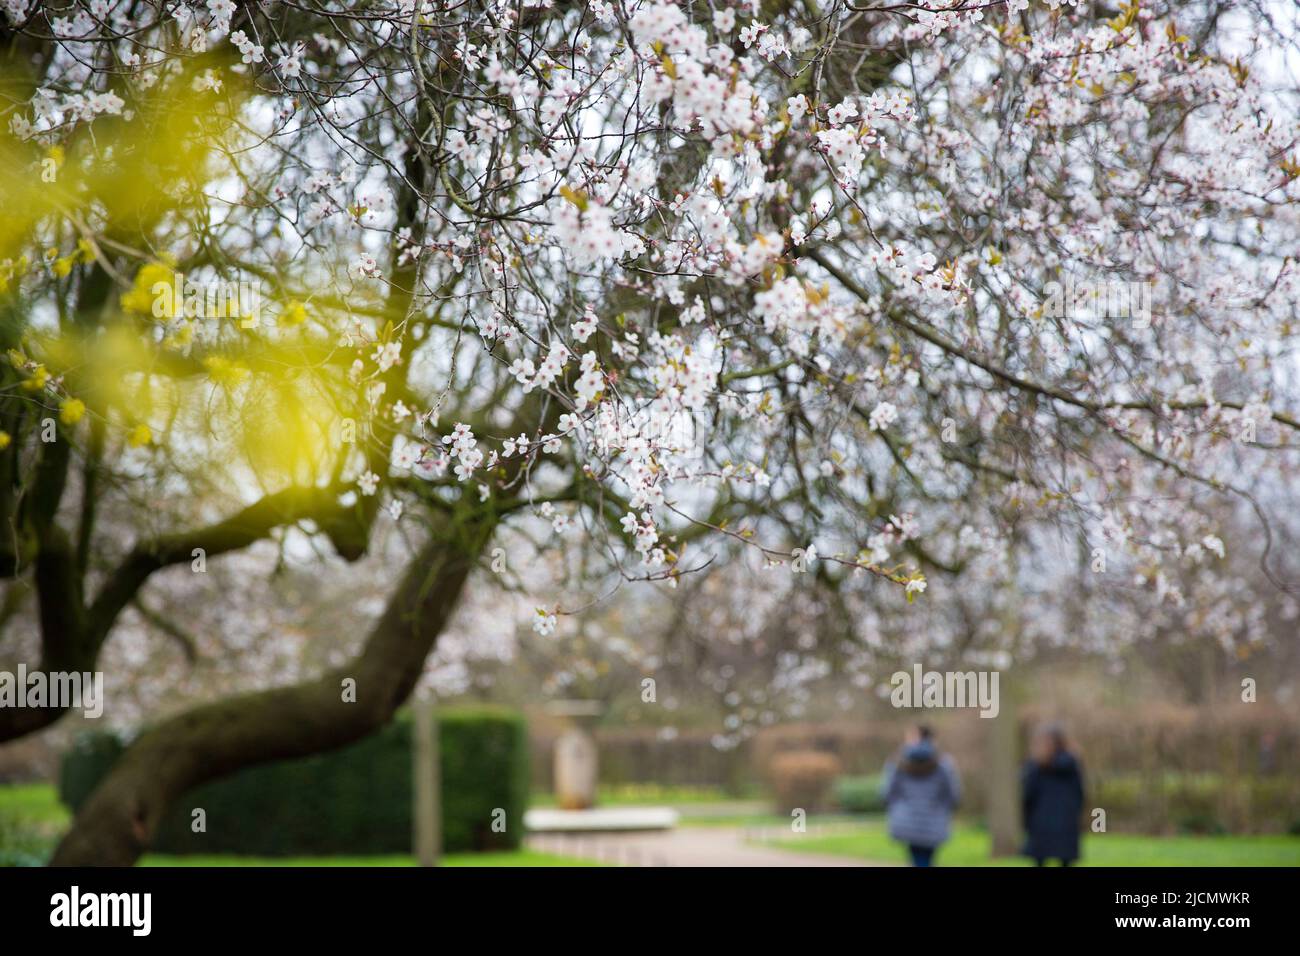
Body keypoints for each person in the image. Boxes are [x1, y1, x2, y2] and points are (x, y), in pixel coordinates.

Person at [882, 725, 961, 866]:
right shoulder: (944, 763)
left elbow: (888, 792)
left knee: (917, 858)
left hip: (906, 820)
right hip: (934, 820)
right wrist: (944, 808)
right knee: (926, 859)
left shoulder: (898, 762)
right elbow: (952, 794)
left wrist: (896, 808)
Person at [1021, 722, 1085, 866]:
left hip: (1040, 822)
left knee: (1040, 860)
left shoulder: (1035, 766)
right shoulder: (1072, 763)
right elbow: (1080, 792)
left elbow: (1028, 795)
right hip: (1066, 822)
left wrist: (1027, 818)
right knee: (1065, 860)